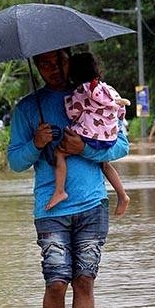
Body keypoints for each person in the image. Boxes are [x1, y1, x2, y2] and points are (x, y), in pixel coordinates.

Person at [7, 48, 130, 308]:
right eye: (45, 64)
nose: (54, 69)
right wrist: (36, 143)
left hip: (92, 205)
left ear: (69, 60)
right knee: (56, 281)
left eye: (59, 61)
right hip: (51, 209)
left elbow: (122, 145)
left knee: (85, 280)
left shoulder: (96, 96)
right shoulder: (27, 109)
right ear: (37, 67)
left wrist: (83, 148)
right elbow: (14, 162)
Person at [46, 52, 130, 217]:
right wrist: (112, 123)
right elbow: (120, 109)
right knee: (104, 164)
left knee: (60, 153)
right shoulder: (109, 89)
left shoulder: (81, 91)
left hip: (90, 134)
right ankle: (122, 194)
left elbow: (72, 113)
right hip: (109, 135)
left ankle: (60, 191)